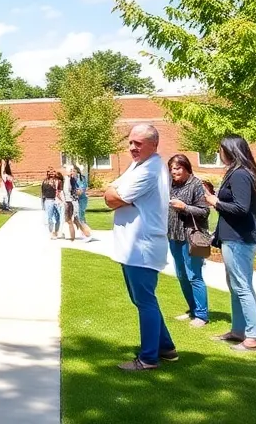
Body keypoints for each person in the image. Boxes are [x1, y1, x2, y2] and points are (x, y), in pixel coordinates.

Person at [104, 124, 176, 372]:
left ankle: (148, 359)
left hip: (142, 247)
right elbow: (113, 190)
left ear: (154, 144)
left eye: (139, 143)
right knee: (143, 300)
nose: (133, 147)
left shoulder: (149, 170)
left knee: (145, 301)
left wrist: (112, 192)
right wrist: (113, 190)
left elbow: (112, 199)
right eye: (131, 142)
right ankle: (166, 348)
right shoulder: (139, 165)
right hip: (132, 246)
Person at [205, 136, 256, 353]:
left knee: (242, 286)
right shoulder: (237, 171)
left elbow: (241, 208)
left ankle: (252, 338)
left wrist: (215, 202)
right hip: (234, 237)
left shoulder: (241, 174)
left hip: (240, 239)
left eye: (220, 149)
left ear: (230, 151)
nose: (218, 153)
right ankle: (238, 331)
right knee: (235, 286)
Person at [166, 155, 210, 327]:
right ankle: (192, 310)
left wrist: (184, 207)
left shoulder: (196, 185)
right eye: (172, 168)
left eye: (177, 168)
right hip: (173, 236)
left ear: (186, 168)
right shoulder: (170, 185)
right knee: (181, 275)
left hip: (191, 237)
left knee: (194, 275)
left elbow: (204, 212)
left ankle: (202, 315)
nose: (174, 172)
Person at [70, 165, 97, 242]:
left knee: (80, 216)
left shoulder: (81, 178)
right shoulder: (70, 179)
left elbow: (81, 191)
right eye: (71, 171)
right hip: (74, 200)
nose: (72, 172)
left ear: (77, 172)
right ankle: (84, 232)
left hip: (82, 199)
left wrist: (75, 191)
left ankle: (87, 233)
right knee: (77, 217)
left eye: (73, 171)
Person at [40, 169, 62, 239]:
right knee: (50, 217)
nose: (51, 173)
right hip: (49, 200)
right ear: (47, 173)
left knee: (58, 217)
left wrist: (62, 201)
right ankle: (51, 232)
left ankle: (56, 232)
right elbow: (42, 193)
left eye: (53, 172)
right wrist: (42, 204)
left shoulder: (59, 181)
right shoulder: (45, 182)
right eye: (49, 172)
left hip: (57, 201)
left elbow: (61, 191)